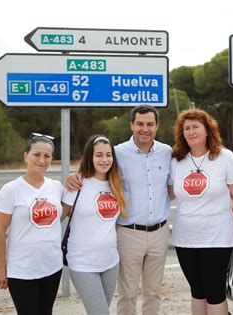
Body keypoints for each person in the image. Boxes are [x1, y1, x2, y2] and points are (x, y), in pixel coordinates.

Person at [67, 105, 172, 315]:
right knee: (128, 293)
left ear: (157, 126)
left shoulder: (166, 152)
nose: (145, 129)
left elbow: (171, 188)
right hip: (128, 233)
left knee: (153, 292)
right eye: (140, 124)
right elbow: (96, 167)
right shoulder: (118, 153)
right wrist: (73, 175)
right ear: (131, 125)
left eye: (150, 124)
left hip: (160, 232)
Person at [170, 109, 233, 315]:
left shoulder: (225, 157)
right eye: (187, 128)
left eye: (196, 127)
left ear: (207, 130)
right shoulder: (176, 160)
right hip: (185, 239)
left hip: (218, 237)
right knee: (197, 291)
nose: (191, 132)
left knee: (214, 291)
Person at [0, 133, 63, 315]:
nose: (42, 160)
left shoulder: (56, 187)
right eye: (36, 154)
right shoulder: (11, 190)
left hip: (52, 266)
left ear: (51, 159)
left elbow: (63, 214)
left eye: (47, 156)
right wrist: (1, 267)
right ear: (26, 156)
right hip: (22, 270)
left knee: (46, 312)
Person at [62, 135, 127, 314]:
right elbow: (57, 217)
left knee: (100, 310)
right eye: (99, 155)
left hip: (110, 261)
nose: (104, 160)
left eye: (108, 155)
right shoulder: (77, 184)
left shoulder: (115, 184)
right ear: (90, 157)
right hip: (83, 263)